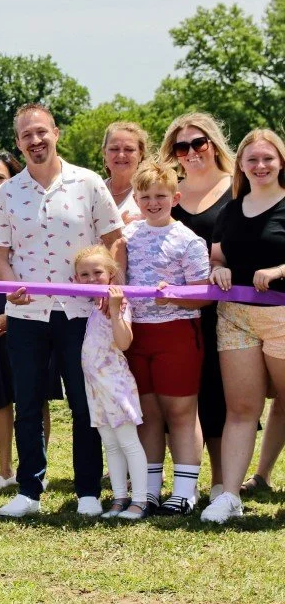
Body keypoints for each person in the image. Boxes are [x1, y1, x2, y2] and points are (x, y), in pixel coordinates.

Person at [0, 103, 124, 518]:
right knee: (27, 403)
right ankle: (29, 490)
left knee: (84, 403)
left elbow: (115, 239)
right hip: (28, 317)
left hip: (81, 313)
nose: (35, 141)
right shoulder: (7, 193)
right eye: (26, 135)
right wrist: (12, 288)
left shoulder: (87, 184)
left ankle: (87, 490)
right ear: (18, 143)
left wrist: (107, 284)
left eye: (41, 132)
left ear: (56, 133)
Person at [202, 128, 285, 523]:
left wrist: (279, 269)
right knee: (241, 409)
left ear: (281, 161)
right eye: (252, 159)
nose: (260, 165)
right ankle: (229, 497)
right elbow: (217, 258)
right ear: (241, 165)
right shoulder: (231, 210)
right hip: (234, 317)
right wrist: (219, 271)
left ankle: (262, 478)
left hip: (282, 318)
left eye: (268, 158)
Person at [124, 159, 211, 515]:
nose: (153, 202)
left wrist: (173, 294)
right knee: (148, 412)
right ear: (136, 198)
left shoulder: (188, 240)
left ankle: (185, 490)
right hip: (137, 334)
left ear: (175, 197)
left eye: (160, 195)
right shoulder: (127, 235)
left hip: (177, 332)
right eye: (145, 196)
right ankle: (149, 489)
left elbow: (204, 294)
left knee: (180, 411)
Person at [0, 151, 56, 492]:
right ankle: (5, 470)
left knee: (34, 398)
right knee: (0, 399)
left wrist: (12, 314)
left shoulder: (29, 218)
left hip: (28, 318)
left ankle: (36, 469)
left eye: (0, 178)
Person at [163, 112, 235, 500]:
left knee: (218, 394)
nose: (191, 152)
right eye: (181, 146)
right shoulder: (167, 191)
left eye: (198, 143)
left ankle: (223, 481)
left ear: (213, 144)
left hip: (223, 311)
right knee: (179, 396)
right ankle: (184, 483)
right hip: (172, 313)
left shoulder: (236, 187)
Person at [74, 245, 147, 520]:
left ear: (111, 274)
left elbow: (124, 341)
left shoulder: (119, 304)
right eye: (84, 275)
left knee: (128, 442)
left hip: (115, 385)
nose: (92, 279)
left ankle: (139, 501)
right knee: (111, 445)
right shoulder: (95, 307)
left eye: (97, 273)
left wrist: (116, 310)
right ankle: (119, 498)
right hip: (96, 388)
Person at [102, 122, 149, 223]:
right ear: (104, 153)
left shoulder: (152, 192)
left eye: (129, 149)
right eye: (114, 149)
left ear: (141, 154)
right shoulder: (93, 190)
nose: (121, 155)